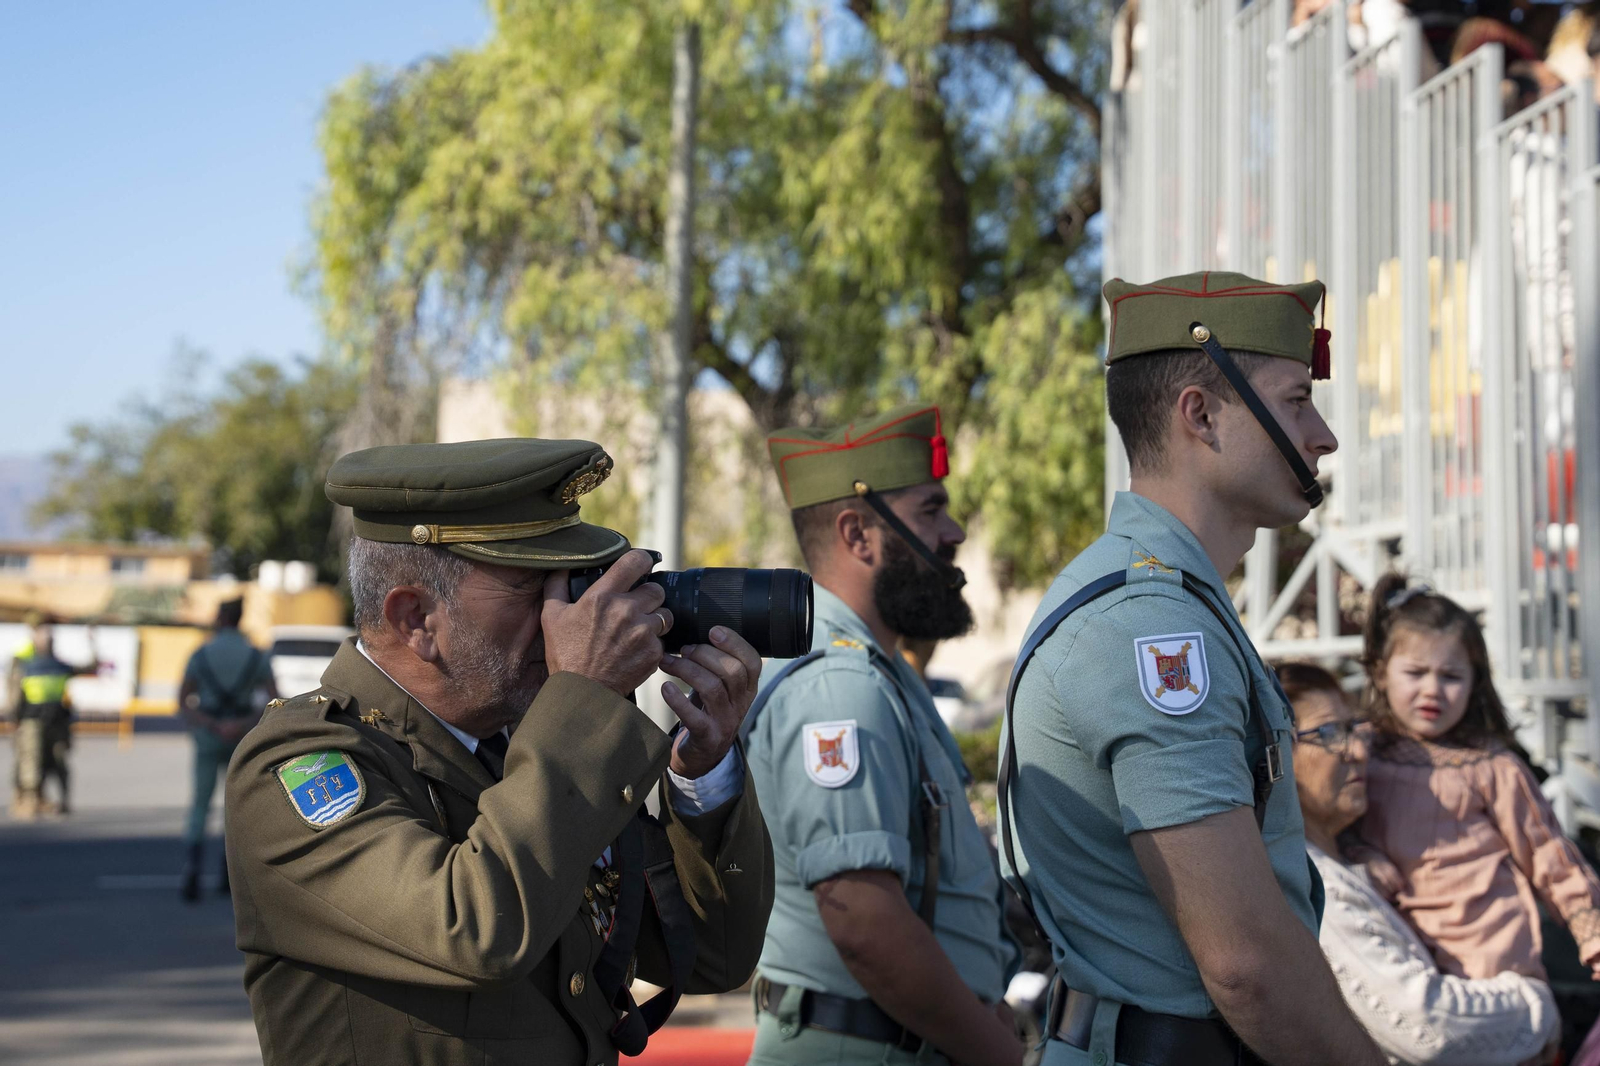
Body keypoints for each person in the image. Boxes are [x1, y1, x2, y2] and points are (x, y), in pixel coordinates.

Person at [224, 438, 774, 1066]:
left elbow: (711, 955)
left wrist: (705, 778)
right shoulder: (298, 766)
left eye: (571, 586)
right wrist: (584, 696)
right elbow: (476, 930)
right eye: (531, 590)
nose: (563, 616)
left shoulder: (525, 748)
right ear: (416, 619)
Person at [1001, 271, 1387, 1066]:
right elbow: (1248, 967)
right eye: (1294, 401)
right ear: (1200, 415)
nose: (1323, 436)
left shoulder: (1164, 603)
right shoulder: (1150, 628)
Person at [745, 404, 1024, 1066]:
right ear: (859, 534)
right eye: (931, 511)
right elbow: (862, 920)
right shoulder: (839, 688)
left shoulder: (881, 673)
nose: (953, 533)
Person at [1279, 660, 1560, 1066]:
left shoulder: (1347, 861)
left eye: (1356, 727)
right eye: (1329, 733)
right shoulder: (1315, 888)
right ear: (1275, 754)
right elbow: (1428, 1027)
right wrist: (1536, 1007)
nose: (1358, 750)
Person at [1351, 574, 1600, 983]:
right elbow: (1317, 824)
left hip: (1491, 964)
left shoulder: (1490, 767)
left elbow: (1549, 855)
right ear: (1380, 673)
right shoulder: (1359, 752)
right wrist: (1360, 852)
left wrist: (1589, 930)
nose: (1433, 689)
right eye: (1415, 672)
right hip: (1397, 962)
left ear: (1474, 683)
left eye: (1450, 677)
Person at [176, 596, 276, 901]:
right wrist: (242, 723)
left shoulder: (202, 653)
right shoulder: (255, 656)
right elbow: (274, 701)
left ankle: (192, 870)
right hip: (241, 738)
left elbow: (183, 701)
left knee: (200, 805)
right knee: (235, 806)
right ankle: (227, 874)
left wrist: (209, 723)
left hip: (208, 736)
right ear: (240, 619)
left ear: (220, 619)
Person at [12, 621, 96, 819]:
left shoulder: (59, 666)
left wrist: (92, 643)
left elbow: (90, 667)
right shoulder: (26, 665)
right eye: (44, 638)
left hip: (57, 722)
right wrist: (16, 721)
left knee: (59, 762)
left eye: (50, 638)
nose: (48, 641)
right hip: (32, 721)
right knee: (31, 763)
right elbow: (16, 696)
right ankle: (30, 802)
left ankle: (63, 801)